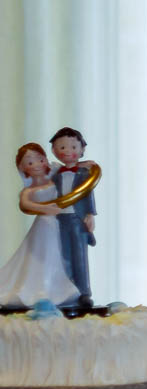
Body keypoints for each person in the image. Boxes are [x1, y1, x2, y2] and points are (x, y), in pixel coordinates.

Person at [0, 143, 81, 308]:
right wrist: (45, 208)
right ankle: (41, 289)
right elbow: (25, 205)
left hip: (60, 223)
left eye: (40, 159)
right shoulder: (28, 191)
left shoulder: (55, 177)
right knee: (43, 254)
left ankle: (57, 287)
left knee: (60, 254)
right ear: (23, 169)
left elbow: (72, 167)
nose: (36, 165)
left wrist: (88, 164)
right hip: (44, 225)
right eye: (30, 163)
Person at [47, 127, 98, 307]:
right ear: (54, 150)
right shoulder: (55, 174)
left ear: (82, 150)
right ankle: (67, 291)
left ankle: (84, 292)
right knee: (64, 256)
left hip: (77, 219)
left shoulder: (84, 173)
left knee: (80, 257)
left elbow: (88, 193)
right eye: (62, 148)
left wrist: (90, 214)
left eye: (73, 147)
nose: (68, 151)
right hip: (61, 220)